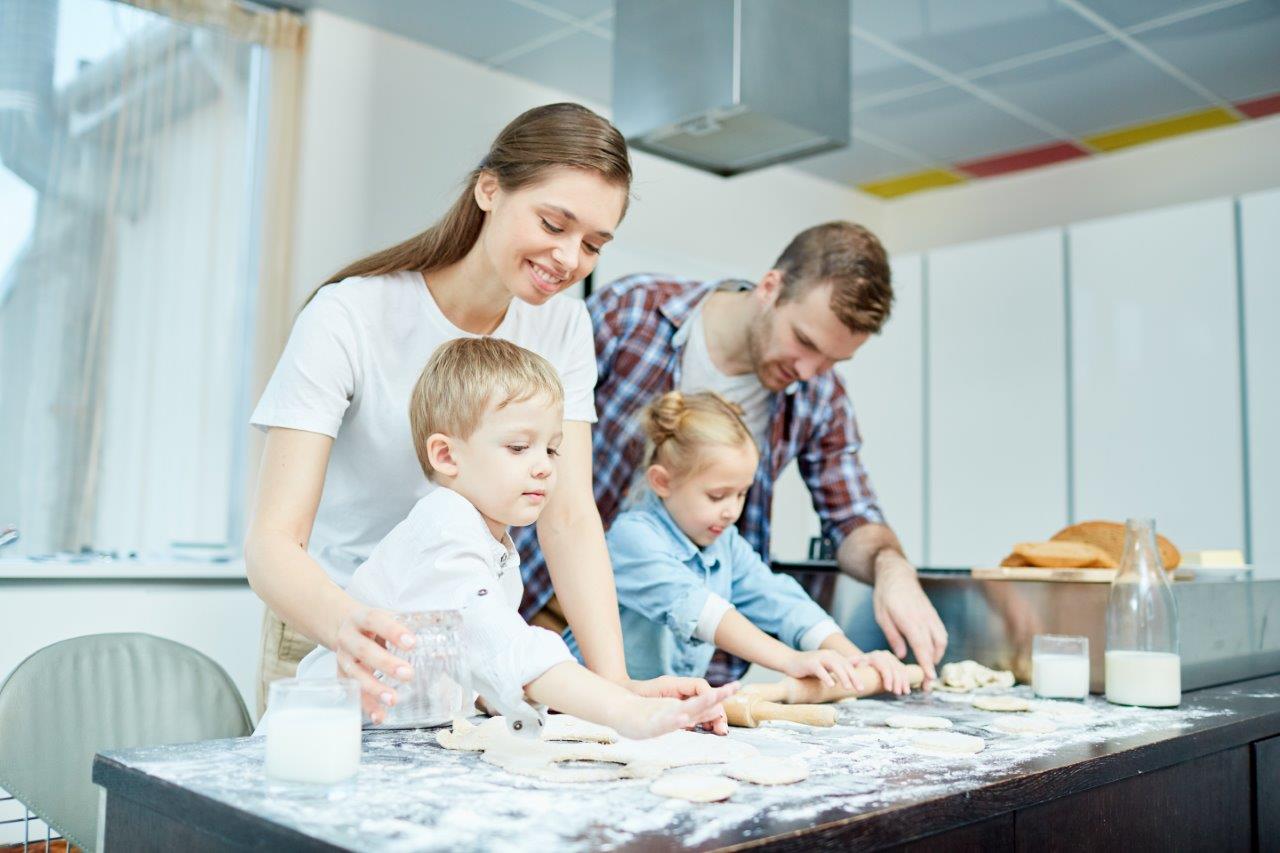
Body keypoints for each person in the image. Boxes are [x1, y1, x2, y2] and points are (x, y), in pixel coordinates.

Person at [245, 102, 720, 725]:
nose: (569, 259)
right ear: (489, 189)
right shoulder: (351, 315)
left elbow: (570, 516)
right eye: (553, 223)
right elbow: (273, 543)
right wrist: (345, 627)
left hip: (465, 642)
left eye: (593, 244)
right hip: (333, 628)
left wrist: (616, 683)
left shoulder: (564, 324)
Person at [516, 222, 948, 684]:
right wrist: (787, 660)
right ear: (770, 287)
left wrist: (888, 576)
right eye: (804, 341)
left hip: (691, 655)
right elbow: (514, 424)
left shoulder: (818, 395)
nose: (809, 371)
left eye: (831, 362)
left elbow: (830, 538)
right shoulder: (632, 312)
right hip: (543, 598)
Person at [261, 340, 733, 738]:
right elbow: (504, 646)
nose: (545, 465)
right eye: (518, 447)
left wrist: (617, 689)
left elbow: (473, 666)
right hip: (310, 743)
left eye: (551, 448)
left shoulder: (494, 544)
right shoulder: (444, 533)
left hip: (375, 747)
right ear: (446, 455)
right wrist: (625, 712)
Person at [569, 390, 912, 694]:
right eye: (717, 495)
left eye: (742, 494)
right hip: (579, 704)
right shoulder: (632, 538)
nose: (732, 510)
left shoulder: (725, 544)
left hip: (650, 709)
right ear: (662, 481)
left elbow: (782, 602)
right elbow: (701, 611)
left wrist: (854, 657)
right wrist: (791, 660)